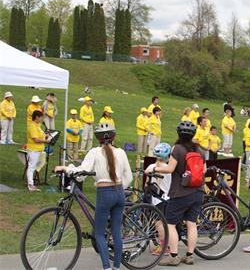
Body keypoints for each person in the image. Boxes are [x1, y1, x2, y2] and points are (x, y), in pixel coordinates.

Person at [55, 123, 133, 270]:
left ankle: (106, 267)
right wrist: (118, 189)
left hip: (104, 193)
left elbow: (81, 173)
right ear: (114, 136)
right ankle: (117, 267)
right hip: (119, 192)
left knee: (99, 234)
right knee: (116, 232)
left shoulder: (95, 152)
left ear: (98, 138)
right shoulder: (121, 152)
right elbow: (128, 178)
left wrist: (66, 168)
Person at [144, 121, 204, 266]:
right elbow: (204, 170)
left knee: (170, 224)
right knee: (191, 224)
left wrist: (154, 169)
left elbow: (170, 169)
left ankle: (173, 256)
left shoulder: (177, 149)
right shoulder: (199, 149)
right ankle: (189, 255)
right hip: (197, 191)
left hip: (180, 193)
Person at [148, 143, 173, 256]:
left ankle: (164, 247)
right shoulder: (168, 168)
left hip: (158, 199)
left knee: (159, 224)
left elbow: (146, 172)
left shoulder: (152, 166)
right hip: (167, 198)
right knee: (164, 223)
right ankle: (165, 245)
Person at [26, 110, 51, 191]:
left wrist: (46, 136)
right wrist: (46, 141)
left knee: (34, 166)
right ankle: (30, 184)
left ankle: (31, 183)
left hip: (38, 150)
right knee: (31, 167)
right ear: (37, 117)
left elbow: (41, 136)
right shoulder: (32, 126)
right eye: (41, 117)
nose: (42, 119)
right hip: (33, 150)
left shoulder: (38, 125)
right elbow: (35, 139)